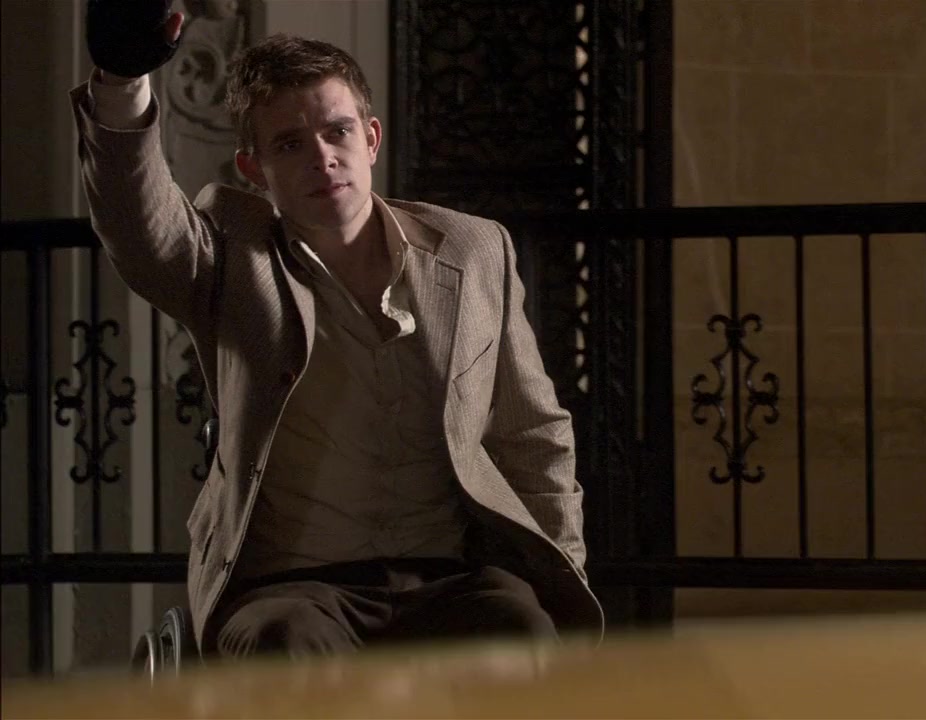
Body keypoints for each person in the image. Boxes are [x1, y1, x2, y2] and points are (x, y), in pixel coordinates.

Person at [72, 3, 602, 659]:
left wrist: (562, 576)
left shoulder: (473, 251)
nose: (322, 158)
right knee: (287, 644)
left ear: (370, 139)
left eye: (337, 132)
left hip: (452, 578)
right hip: (293, 589)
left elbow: (533, 434)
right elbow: (141, 229)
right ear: (253, 169)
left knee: (521, 634)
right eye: (290, 145)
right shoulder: (232, 255)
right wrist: (122, 85)